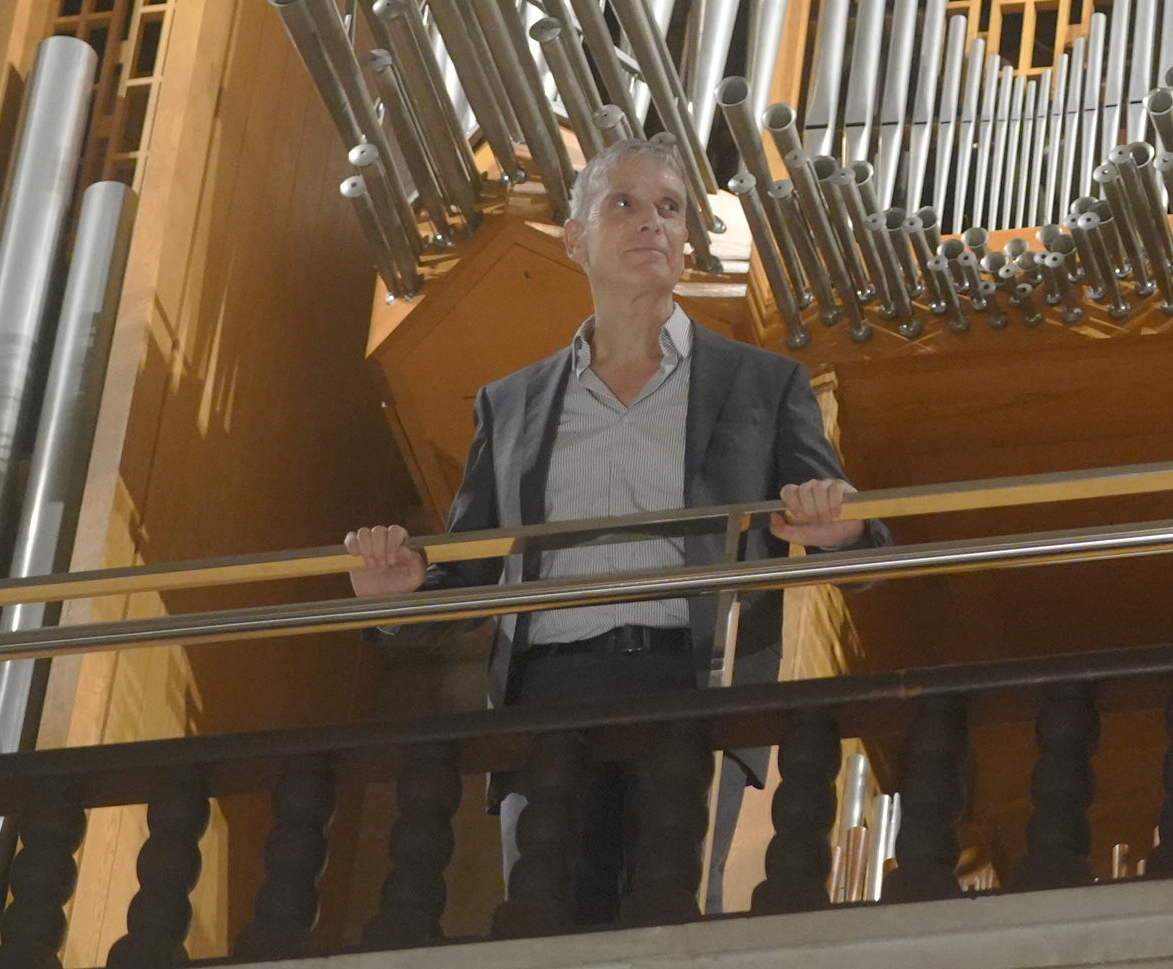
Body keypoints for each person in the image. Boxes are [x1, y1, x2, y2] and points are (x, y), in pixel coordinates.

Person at [344, 134, 875, 923]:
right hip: (549, 692)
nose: (652, 222)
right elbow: (469, 571)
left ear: (686, 241)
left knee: (668, 926)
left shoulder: (765, 383)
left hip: (697, 680)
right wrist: (398, 595)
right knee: (548, 928)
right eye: (624, 203)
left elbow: (857, 539)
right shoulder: (510, 403)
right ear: (575, 239)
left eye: (670, 208)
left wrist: (841, 531)